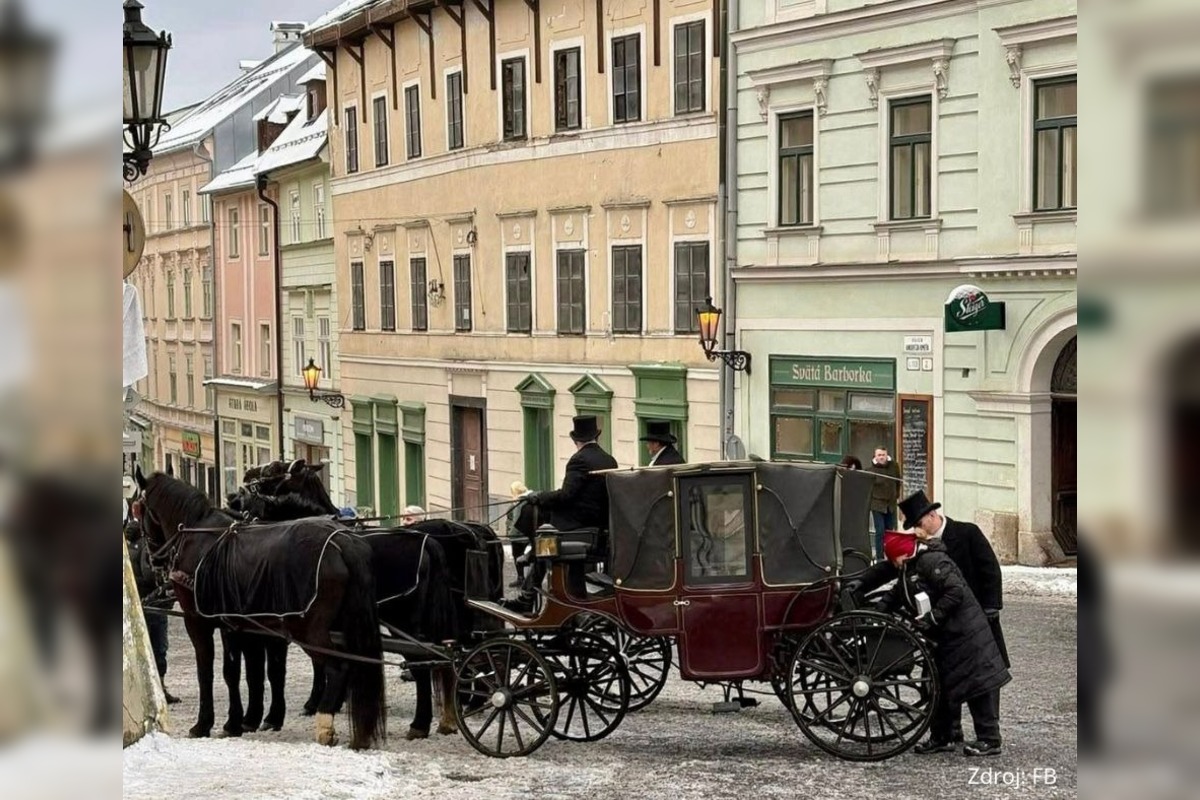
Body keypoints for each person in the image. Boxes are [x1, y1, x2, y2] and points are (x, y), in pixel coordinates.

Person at [847, 489, 1008, 747]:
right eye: (914, 527)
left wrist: (991, 607)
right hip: (941, 624)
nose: (918, 530)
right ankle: (947, 733)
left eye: (919, 524)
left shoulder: (966, 533)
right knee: (942, 678)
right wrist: (862, 584)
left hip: (973, 619)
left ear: (933, 515)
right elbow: (894, 570)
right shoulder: (918, 550)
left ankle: (988, 735)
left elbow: (989, 569)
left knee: (982, 679)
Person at [876, 530, 1010, 757]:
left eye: (893, 558)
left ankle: (990, 739)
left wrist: (934, 616)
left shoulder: (932, 560)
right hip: (947, 636)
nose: (893, 563)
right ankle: (943, 736)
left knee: (978, 685)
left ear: (903, 553)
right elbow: (898, 593)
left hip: (964, 632)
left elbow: (955, 590)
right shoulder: (912, 567)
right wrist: (877, 612)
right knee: (941, 686)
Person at [501, 416, 617, 614]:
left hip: (578, 526)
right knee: (543, 534)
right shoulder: (608, 459)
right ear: (595, 437)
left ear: (575, 440)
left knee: (543, 538)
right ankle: (530, 567)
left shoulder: (579, 460)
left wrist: (537, 496)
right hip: (599, 525)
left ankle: (528, 595)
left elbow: (566, 495)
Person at [124, 514, 180, 705]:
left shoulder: (125, 547)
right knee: (159, 647)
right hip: (153, 604)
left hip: (136, 604)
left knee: (139, 647)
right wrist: (164, 581)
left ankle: (139, 689)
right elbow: (149, 575)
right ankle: (160, 688)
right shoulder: (145, 548)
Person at [866, 447, 902, 558]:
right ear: (875, 456)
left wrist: (896, 495)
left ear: (887, 455)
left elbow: (898, 482)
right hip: (877, 504)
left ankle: (890, 555)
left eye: (883, 455)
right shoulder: (870, 471)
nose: (881, 457)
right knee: (880, 531)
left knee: (890, 531)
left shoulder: (894, 466)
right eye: (879, 455)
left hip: (890, 504)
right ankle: (880, 557)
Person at [507, 481, 535, 588]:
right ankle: (530, 577)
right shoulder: (529, 499)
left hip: (520, 535)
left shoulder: (519, 503)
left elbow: (516, 522)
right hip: (530, 533)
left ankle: (521, 578)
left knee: (517, 555)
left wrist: (511, 534)